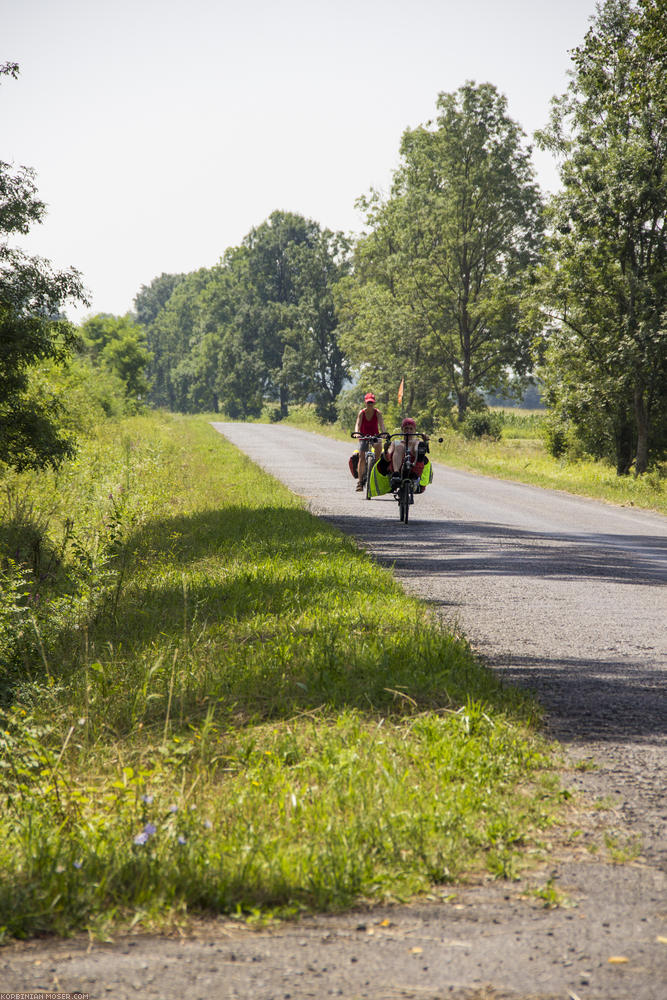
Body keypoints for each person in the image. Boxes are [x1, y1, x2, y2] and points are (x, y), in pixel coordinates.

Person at [354, 392, 387, 491]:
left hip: (375, 436)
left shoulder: (377, 413)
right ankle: (360, 482)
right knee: (361, 457)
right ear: (365, 403)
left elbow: (382, 425)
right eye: (368, 403)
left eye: (371, 403)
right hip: (363, 436)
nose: (370, 405)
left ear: (374, 403)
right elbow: (357, 424)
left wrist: (384, 433)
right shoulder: (362, 413)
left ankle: (375, 475)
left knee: (378, 453)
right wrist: (356, 433)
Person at [386, 416, 426, 488]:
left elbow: (418, 445)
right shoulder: (395, 442)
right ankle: (396, 474)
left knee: (418, 445)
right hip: (398, 467)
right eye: (406, 428)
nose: (408, 431)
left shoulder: (417, 441)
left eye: (411, 428)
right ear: (402, 430)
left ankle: (416, 472)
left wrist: (424, 441)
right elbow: (389, 453)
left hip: (413, 466)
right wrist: (386, 450)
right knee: (399, 446)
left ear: (414, 430)